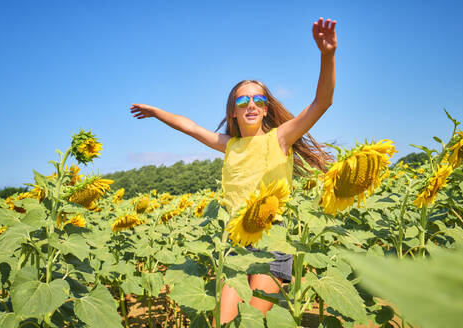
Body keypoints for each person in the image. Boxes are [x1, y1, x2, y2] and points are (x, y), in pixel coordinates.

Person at [130, 17, 336, 325]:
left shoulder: (280, 138)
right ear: (234, 111)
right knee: (222, 323)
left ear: (266, 108)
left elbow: (322, 102)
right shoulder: (230, 145)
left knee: (252, 319)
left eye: (258, 99)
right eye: (243, 100)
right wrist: (158, 112)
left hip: (274, 242)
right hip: (236, 242)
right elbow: (191, 127)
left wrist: (327, 55)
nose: (251, 104)